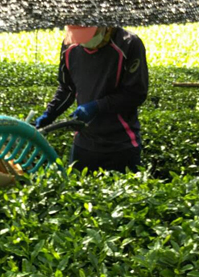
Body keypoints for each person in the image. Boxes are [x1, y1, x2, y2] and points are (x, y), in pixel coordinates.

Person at [35, 25, 148, 173]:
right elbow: (67, 88)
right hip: (84, 143)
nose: (82, 43)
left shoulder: (128, 44)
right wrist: (50, 114)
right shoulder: (70, 45)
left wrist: (97, 106)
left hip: (121, 143)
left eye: (86, 37)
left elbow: (136, 93)